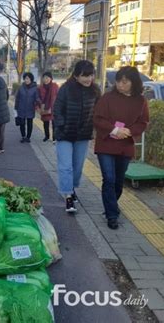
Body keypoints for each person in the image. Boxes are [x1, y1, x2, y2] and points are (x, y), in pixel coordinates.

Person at [93, 66, 149, 229]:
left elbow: (143, 122)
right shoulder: (107, 98)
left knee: (118, 182)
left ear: (133, 82)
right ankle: (112, 215)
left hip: (125, 144)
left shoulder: (141, 101)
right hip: (106, 143)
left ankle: (111, 205)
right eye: (118, 81)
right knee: (108, 179)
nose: (120, 85)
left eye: (124, 82)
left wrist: (129, 131)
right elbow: (97, 118)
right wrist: (114, 129)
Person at [53, 60, 101, 213]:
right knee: (66, 166)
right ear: (75, 75)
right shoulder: (66, 89)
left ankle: (71, 188)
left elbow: (99, 112)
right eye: (84, 76)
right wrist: (61, 125)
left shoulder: (95, 91)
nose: (88, 79)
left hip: (83, 135)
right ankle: (68, 196)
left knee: (78, 167)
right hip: (65, 134)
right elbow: (57, 109)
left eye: (90, 75)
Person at [14, 72, 38, 143]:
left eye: (28, 79)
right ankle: (23, 136)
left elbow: (37, 98)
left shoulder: (35, 88)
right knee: (22, 123)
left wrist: (37, 104)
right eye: (25, 79)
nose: (26, 80)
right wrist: (16, 107)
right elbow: (17, 98)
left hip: (30, 108)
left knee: (30, 123)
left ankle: (28, 137)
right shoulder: (21, 88)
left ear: (31, 79)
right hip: (21, 108)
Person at [37, 71, 59, 142]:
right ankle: (47, 136)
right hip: (44, 108)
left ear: (51, 78)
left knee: (54, 124)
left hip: (54, 108)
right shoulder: (40, 88)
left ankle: (54, 138)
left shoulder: (55, 86)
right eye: (44, 78)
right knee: (45, 123)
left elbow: (59, 96)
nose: (45, 79)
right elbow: (37, 98)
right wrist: (39, 106)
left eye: (47, 78)